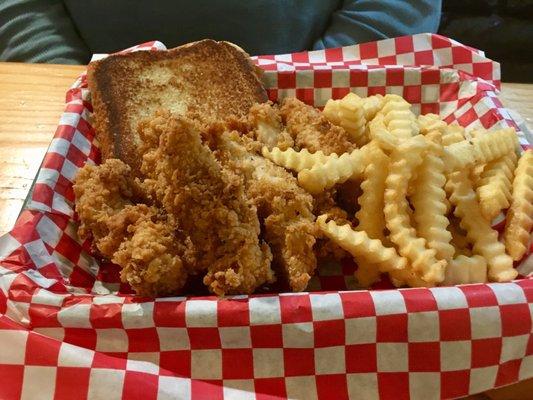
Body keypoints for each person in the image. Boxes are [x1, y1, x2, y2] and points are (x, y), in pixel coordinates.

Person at [0, 0, 441, 64]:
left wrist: (312, 84)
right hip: (71, 111)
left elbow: (397, 8)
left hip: (319, 94)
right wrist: (62, 80)